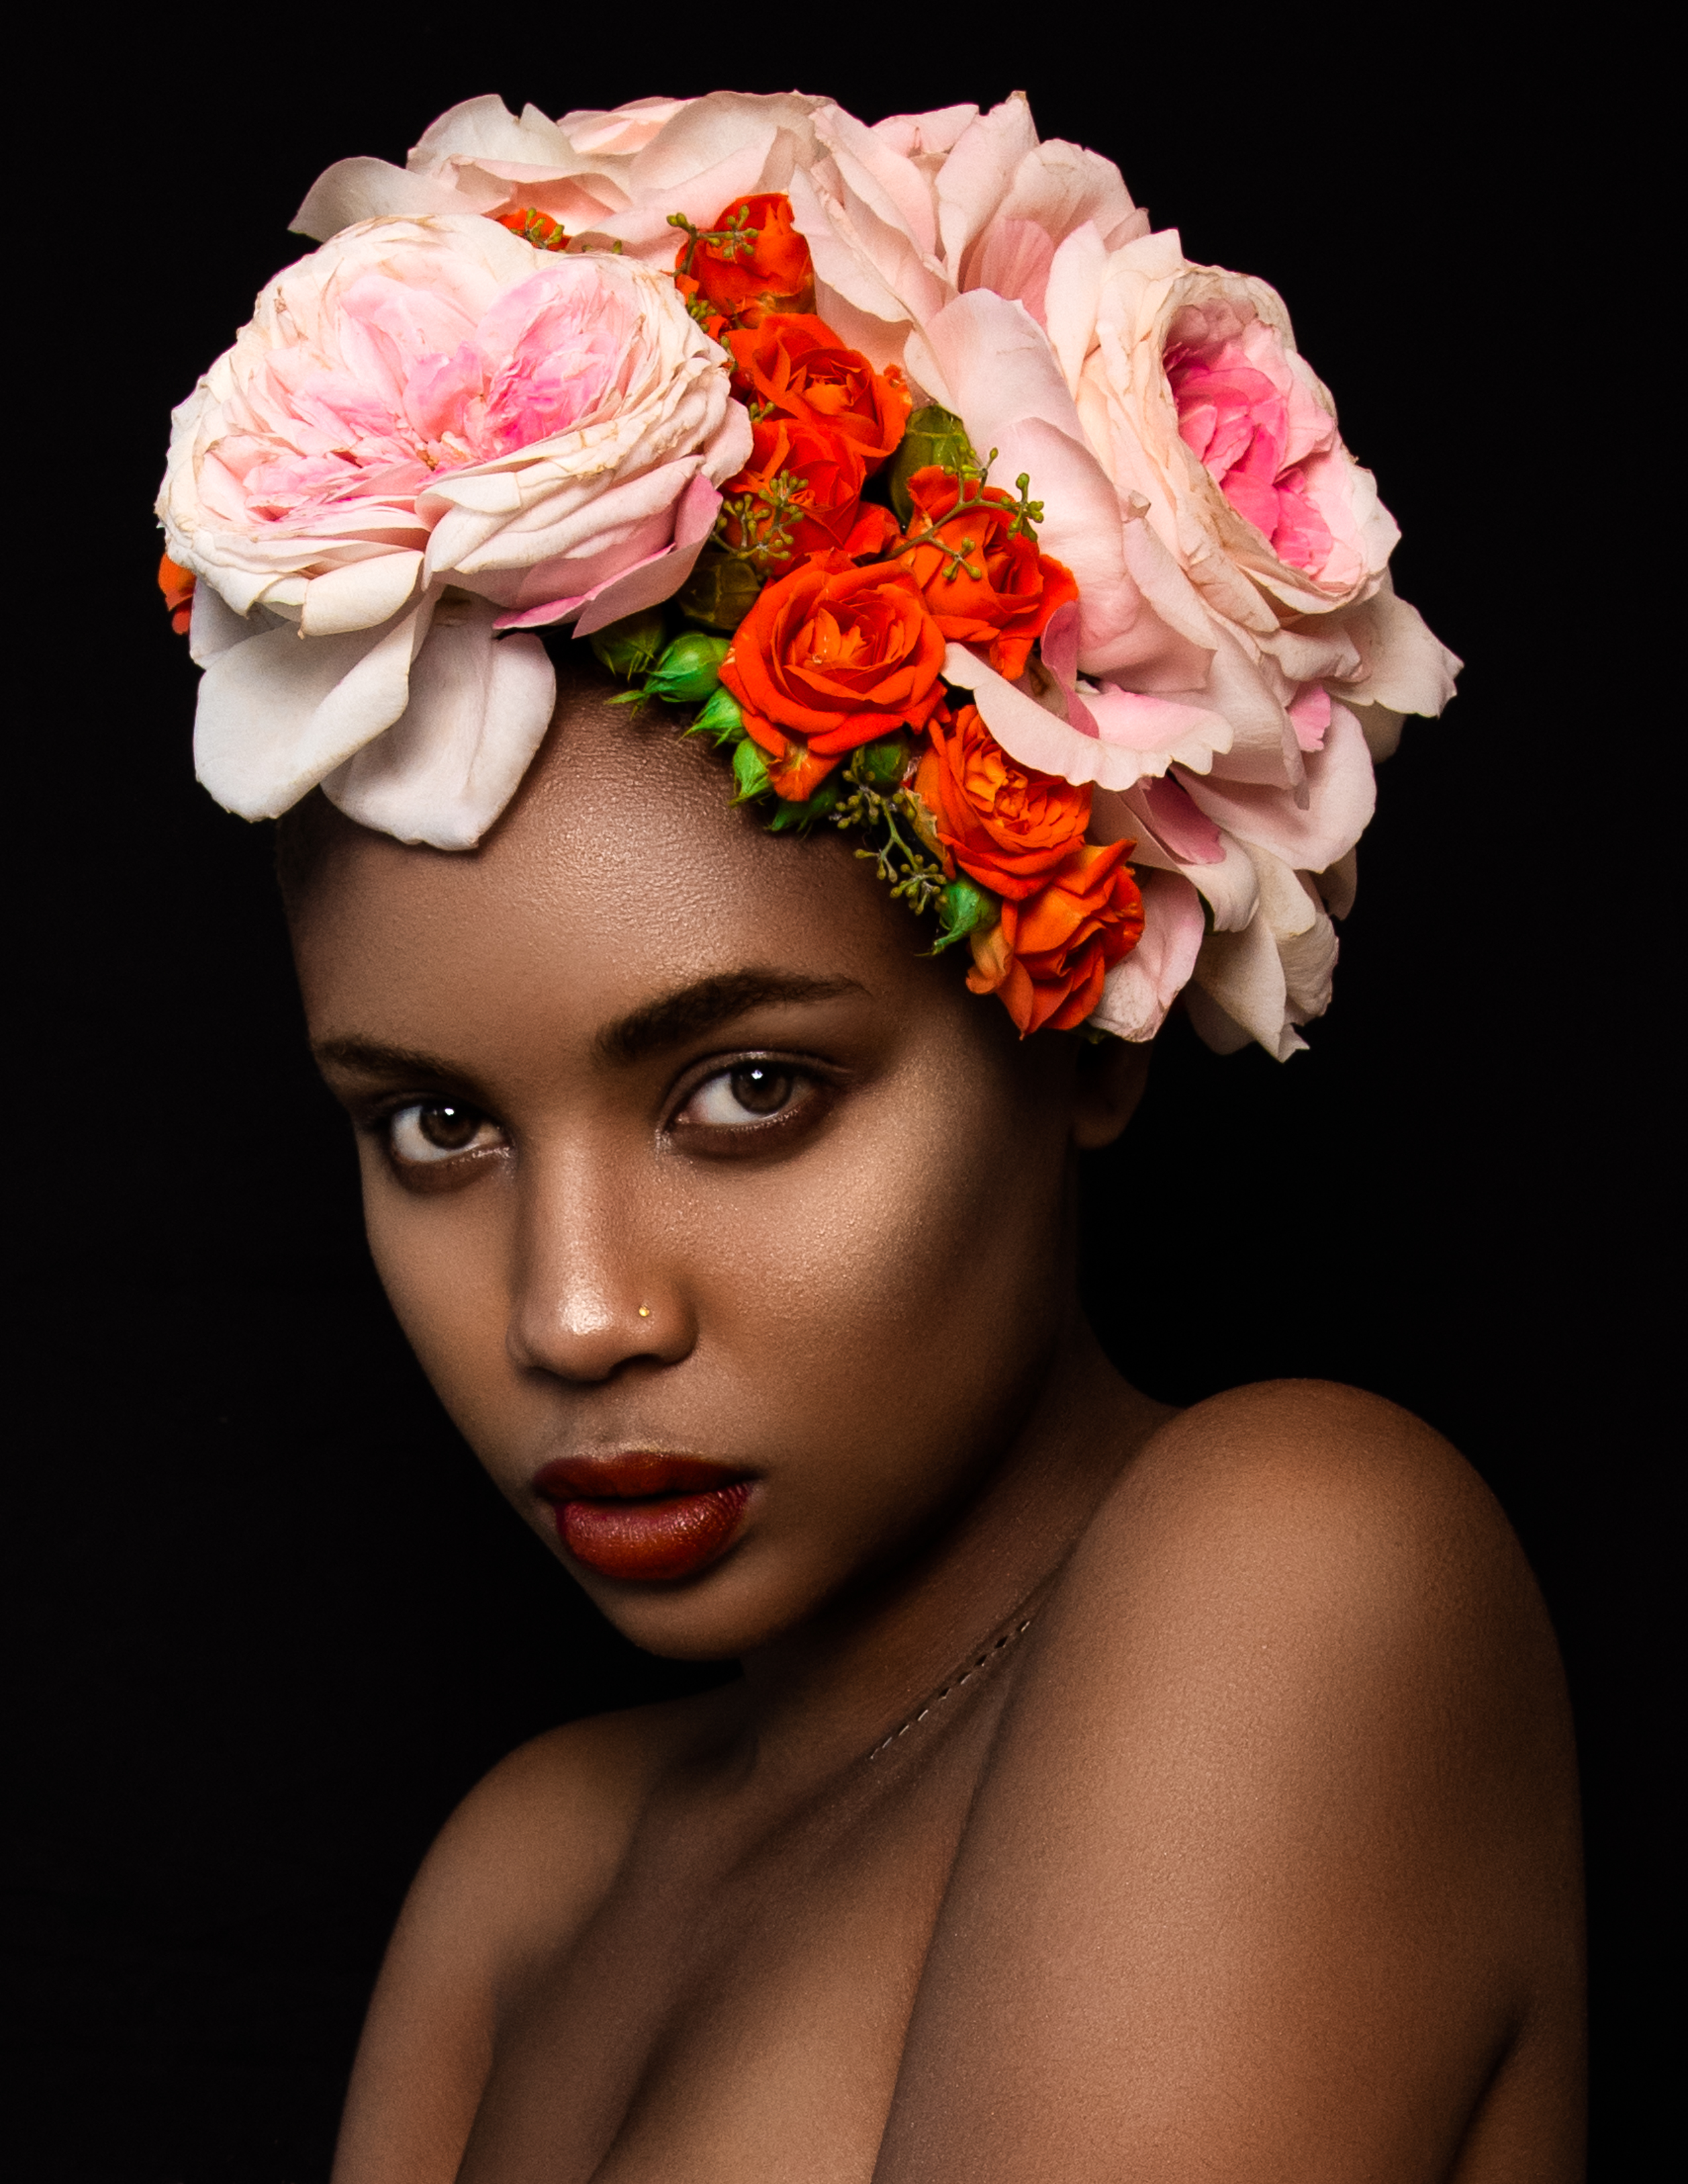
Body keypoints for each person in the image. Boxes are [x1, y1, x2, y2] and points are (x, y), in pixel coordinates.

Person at [156, 88, 1585, 2180]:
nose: (572, 1312)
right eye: (438, 1122)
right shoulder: (521, 1897)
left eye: (749, 1089)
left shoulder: (1300, 1573)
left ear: (1085, 1025)